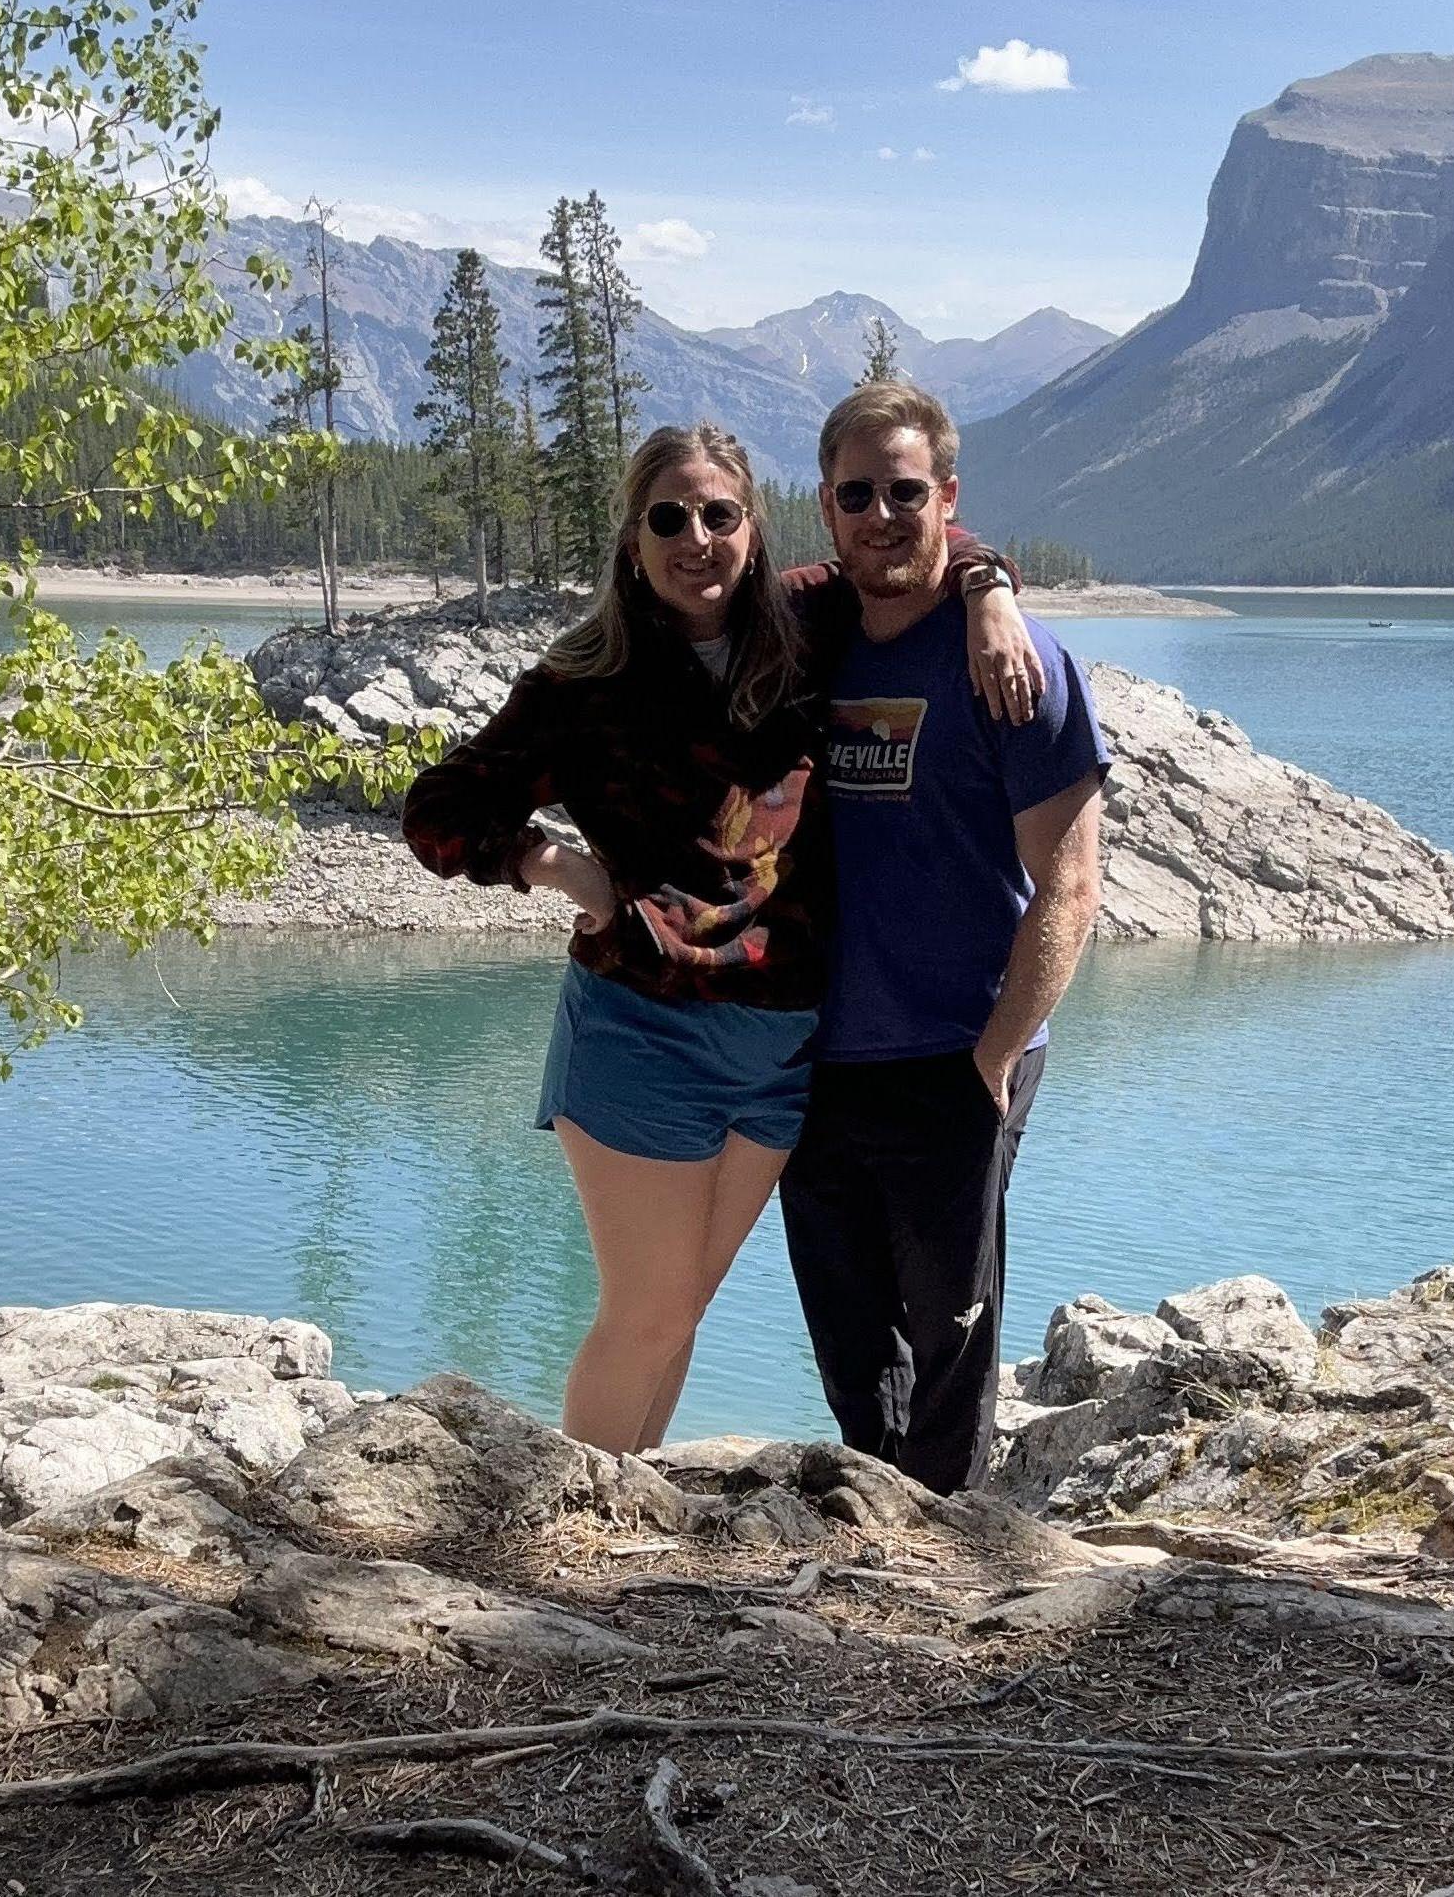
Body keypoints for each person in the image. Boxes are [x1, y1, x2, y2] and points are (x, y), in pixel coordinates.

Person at [401, 421, 1037, 1455]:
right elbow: (436, 810)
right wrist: (552, 866)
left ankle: (621, 1508)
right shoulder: (586, 677)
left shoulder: (805, 623)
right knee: (644, 1313)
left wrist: (990, 590)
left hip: (780, 1045)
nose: (693, 538)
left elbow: (913, 542)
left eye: (717, 514)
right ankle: (568, 1530)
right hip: (641, 1033)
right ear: (632, 538)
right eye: (667, 518)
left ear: (752, 526)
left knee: (679, 1311)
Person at [780, 381, 1109, 1495]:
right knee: (848, 1338)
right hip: (817, 1054)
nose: (883, 514)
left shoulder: (1012, 663)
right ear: (825, 508)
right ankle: (873, 1553)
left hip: (957, 1053)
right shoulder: (806, 642)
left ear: (946, 497)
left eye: (906, 492)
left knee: (949, 1344)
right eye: (857, 493)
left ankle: (939, 1575)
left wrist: (992, 1056)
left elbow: (1068, 883)